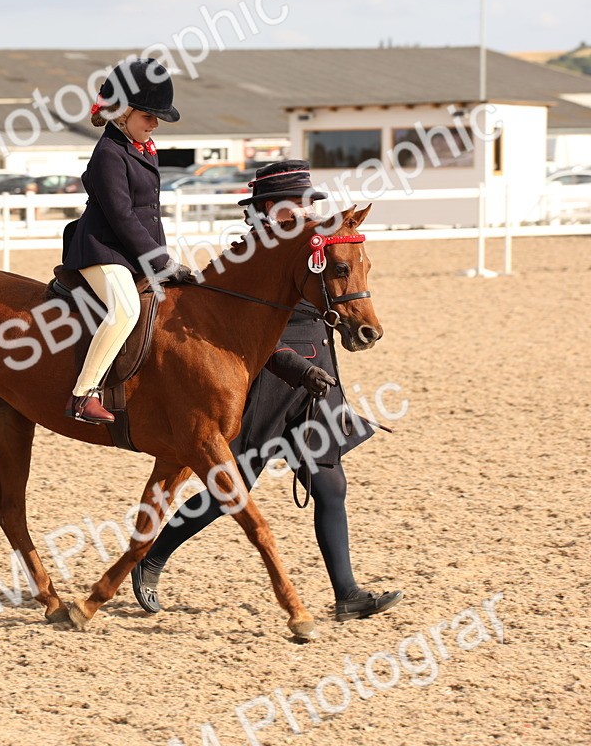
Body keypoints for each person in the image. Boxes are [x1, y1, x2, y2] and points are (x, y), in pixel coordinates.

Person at [130, 161, 404, 622]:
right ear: (265, 209)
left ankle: (348, 594)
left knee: (331, 484)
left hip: (317, 386)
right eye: (294, 204)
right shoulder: (244, 259)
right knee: (230, 490)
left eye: (308, 203)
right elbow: (243, 336)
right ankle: (152, 558)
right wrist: (297, 367)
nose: (305, 211)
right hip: (268, 384)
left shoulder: (310, 248)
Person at [62, 58, 194, 424]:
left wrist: (165, 262)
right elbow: (123, 216)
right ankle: (83, 394)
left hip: (132, 252)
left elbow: (149, 212)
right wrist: (159, 260)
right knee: (126, 310)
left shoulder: (140, 148)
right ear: (122, 113)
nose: (154, 125)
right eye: (148, 117)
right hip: (101, 250)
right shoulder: (108, 153)